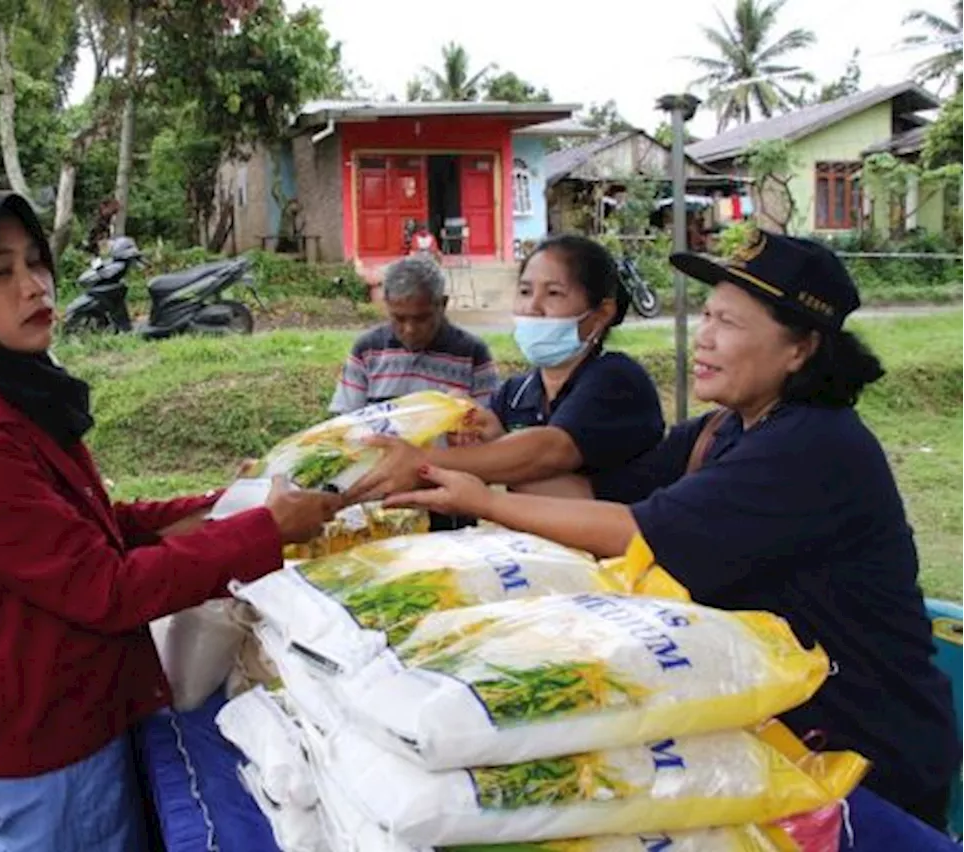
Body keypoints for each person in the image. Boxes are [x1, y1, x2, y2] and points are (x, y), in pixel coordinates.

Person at [382, 230, 959, 829]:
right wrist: (467, 465)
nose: (704, 336)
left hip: (861, 758)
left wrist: (480, 495)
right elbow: (589, 498)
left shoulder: (813, 445)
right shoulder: (724, 431)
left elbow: (632, 528)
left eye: (729, 323)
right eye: (707, 314)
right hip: (774, 738)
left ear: (800, 349)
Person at [0, 192, 340, 852]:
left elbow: (92, 523)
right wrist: (262, 532)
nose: (33, 286)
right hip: (42, 734)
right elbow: (105, 587)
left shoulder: (7, 392)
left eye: (36, 262)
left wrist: (226, 504)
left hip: (68, 704)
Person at [346, 234, 664, 504]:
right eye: (525, 291)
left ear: (600, 313)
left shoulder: (617, 379)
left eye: (553, 293)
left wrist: (423, 461)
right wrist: (481, 438)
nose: (532, 307)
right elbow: (547, 488)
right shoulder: (515, 395)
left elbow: (549, 451)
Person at [329, 254, 498, 414]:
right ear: (386, 305)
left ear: (442, 304)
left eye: (422, 318)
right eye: (399, 318)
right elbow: (346, 420)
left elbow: (487, 424)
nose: (410, 329)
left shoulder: (472, 354)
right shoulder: (367, 350)